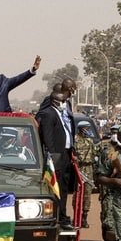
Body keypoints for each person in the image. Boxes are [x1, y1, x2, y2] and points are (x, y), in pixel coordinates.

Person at [36, 89, 76, 229]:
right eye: (63, 101)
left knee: (64, 187)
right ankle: (57, 216)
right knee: (56, 187)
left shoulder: (62, 115)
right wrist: (53, 155)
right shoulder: (49, 114)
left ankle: (63, 215)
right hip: (56, 156)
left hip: (66, 154)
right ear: (55, 101)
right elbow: (47, 137)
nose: (65, 104)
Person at [73, 123, 98, 228]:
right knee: (77, 193)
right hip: (78, 169)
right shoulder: (74, 140)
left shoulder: (90, 141)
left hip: (88, 169)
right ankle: (76, 216)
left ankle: (84, 217)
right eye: (86, 128)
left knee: (87, 194)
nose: (88, 130)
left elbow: (94, 155)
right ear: (81, 129)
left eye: (88, 128)